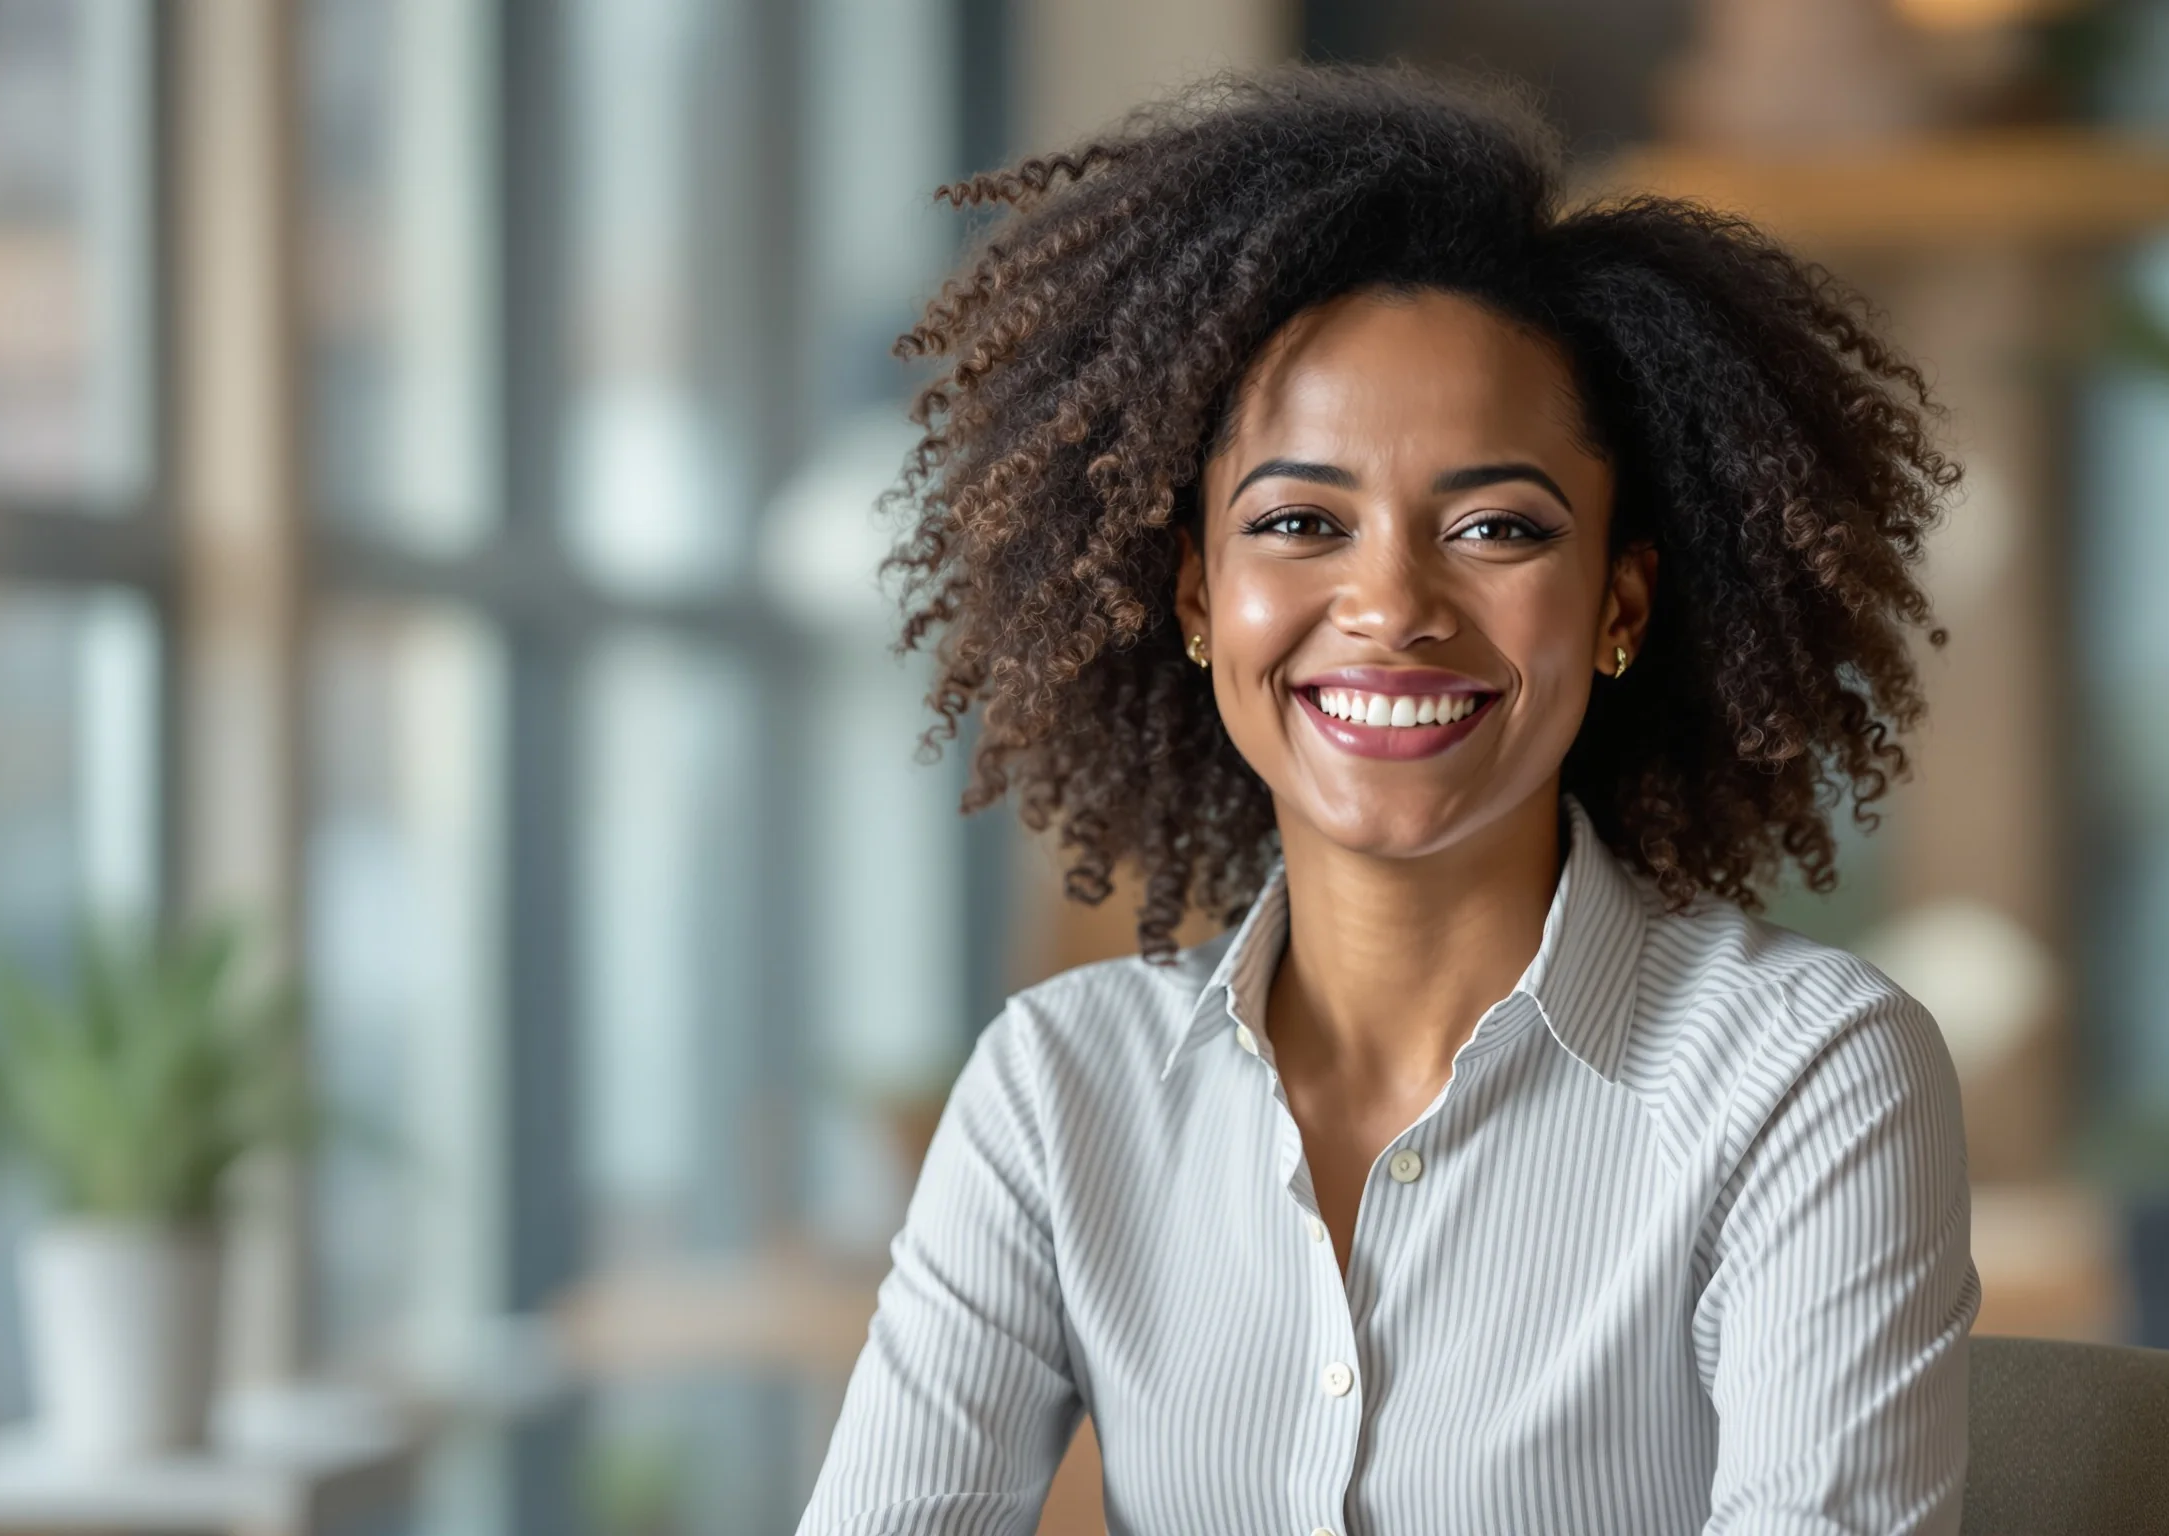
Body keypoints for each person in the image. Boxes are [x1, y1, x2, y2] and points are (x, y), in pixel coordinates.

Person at [799, 63, 1980, 1536]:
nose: (1391, 606)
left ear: (1618, 603)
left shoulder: (1806, 1077)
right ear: (1196, 596)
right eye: (1301, 520)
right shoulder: (1058, 1092)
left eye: (1495, 527)